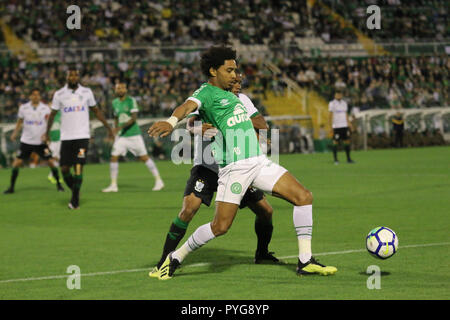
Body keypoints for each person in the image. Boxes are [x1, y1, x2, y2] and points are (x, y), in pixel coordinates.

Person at [149, 46, 337, 280]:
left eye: (236, 70)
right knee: (220, 227)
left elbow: (255, 122)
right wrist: (171, 121)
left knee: (304, 196)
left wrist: (259, 135)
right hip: (234, 169)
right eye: (229, 70)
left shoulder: (236, 97)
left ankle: (305, 261)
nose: (235, 75)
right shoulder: (205, 93)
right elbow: (187, 108)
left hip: (258, 162)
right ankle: (174, 258)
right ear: (213, 70)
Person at [149, 75, 279, 278]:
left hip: (238, 167)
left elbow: (262, 123)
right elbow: (190, 124)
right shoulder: (209, 96)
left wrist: (256, 136)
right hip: (208, 165)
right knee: (188, 209)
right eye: (234, 82)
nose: (237, 86)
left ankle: (262, 253)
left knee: (266, 211)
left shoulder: (243, 101)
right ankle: (165, 259)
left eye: (240, 83)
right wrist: (199, 128)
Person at [44, 68, 114, 209]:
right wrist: (47, 133)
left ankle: (74, 200)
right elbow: (52, 115)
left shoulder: (87, 92)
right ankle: (76, 191)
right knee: (64, 169)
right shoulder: (59, 94)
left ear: (79, 77)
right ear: (67, 77)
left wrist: (108, 128)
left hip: (82, 137)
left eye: (76, 74)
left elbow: (96, 111)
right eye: (71, 75)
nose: (74, 77)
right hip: (66, 138)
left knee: (78, 166)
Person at [102, 83, 164, 192]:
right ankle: (113, 185)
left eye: (122, 88)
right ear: (115, 90)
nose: (120, 90)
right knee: (113, 157)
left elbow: (133, 118)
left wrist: (119, 128)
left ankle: (159, 181)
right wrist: (114, 131)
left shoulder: (131, 101)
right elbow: (116, 118)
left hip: (134, 135)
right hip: (121, 136)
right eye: (118, 88)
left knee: (144, 158)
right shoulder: (114, 102)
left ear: (125, 89)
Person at [4, 88, 64, 194]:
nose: (35, 96)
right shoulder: (23, 108)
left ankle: (59, 185)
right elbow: (19, 122)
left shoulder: (45, 108)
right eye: (33, 94)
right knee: (17, 162)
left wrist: (47, 135)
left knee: (51, 161)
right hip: (26, 141)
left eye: (37, 95)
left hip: (41, 142)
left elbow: (48, 123)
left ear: (40, 97)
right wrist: (14, 133)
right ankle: (11, 187)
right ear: (30, 96)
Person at [329, 91, 354, 164]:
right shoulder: (332, 103)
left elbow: (346, 114)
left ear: (341, 95)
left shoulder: (344, 103)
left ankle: (348, 159)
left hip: (344, 125)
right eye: (337, 95)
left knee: (347, 141)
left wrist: (349, 124)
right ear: (335, 95)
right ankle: (336, 160)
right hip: (336, 126)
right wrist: (330, 127)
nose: (339, 96)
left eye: (340, 95)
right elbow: (329, 116)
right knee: (335, 142)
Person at [47, 108, 63, 185]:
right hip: (53, 140)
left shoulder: (61, 114)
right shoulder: (48, 116)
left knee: (57, 158)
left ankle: (52, 175)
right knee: (55, 158)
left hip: (60, 139)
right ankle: (52, 175)